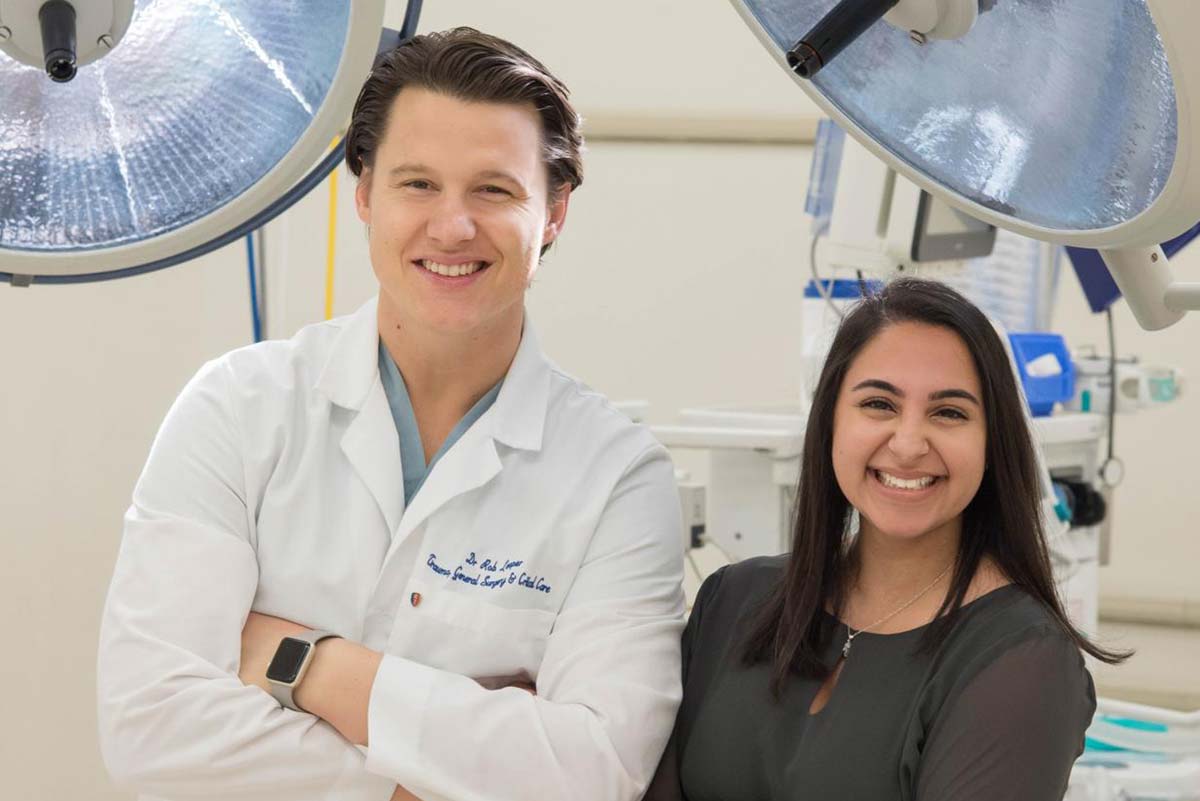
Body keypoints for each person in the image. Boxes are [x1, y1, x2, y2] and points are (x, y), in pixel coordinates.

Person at [97, 28, 685, 801]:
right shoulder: (238, 408)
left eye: (494, 189)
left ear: (554, 213)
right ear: (366, 194)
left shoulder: (619, 475)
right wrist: (424, 780)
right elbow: (151, 729)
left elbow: (592, 772)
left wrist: (309, 664)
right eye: (418, 184)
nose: (451, 227)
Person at [646, 278, 1126, 801]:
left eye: (949, 412)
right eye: (878, 404)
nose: (908, 444)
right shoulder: (732, 602)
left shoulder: (1023, 662)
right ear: (830, 422)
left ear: (993, 444)